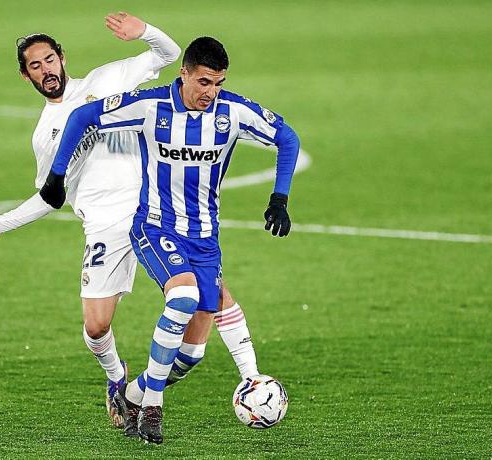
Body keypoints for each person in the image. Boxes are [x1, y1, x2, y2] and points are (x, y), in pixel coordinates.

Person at [40, 36, 300, 444]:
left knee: (192, 355)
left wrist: (279, 197)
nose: (210, 93)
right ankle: (153, 408)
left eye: (218, 83)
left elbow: (288, 138)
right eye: (203, 82)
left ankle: (131, 393)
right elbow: (83, 116)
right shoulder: (152, 106)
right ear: (184, 74)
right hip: (155, 227)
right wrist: (56, 175)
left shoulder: (231, 112)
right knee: (181, 298)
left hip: (204, 238)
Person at [0, 11, 181, 428]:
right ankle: (117, 379)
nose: (45, 69)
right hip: (104, 225)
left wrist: (145, 32)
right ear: (25, 76)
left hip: (153, 212)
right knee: (96, 326)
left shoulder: (107, 80)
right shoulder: (44, 134)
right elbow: (51, 197)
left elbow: (170, 53)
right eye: (35, 65)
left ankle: (180, 385)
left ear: (62, 58)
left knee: (195, 298)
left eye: (49, 59)